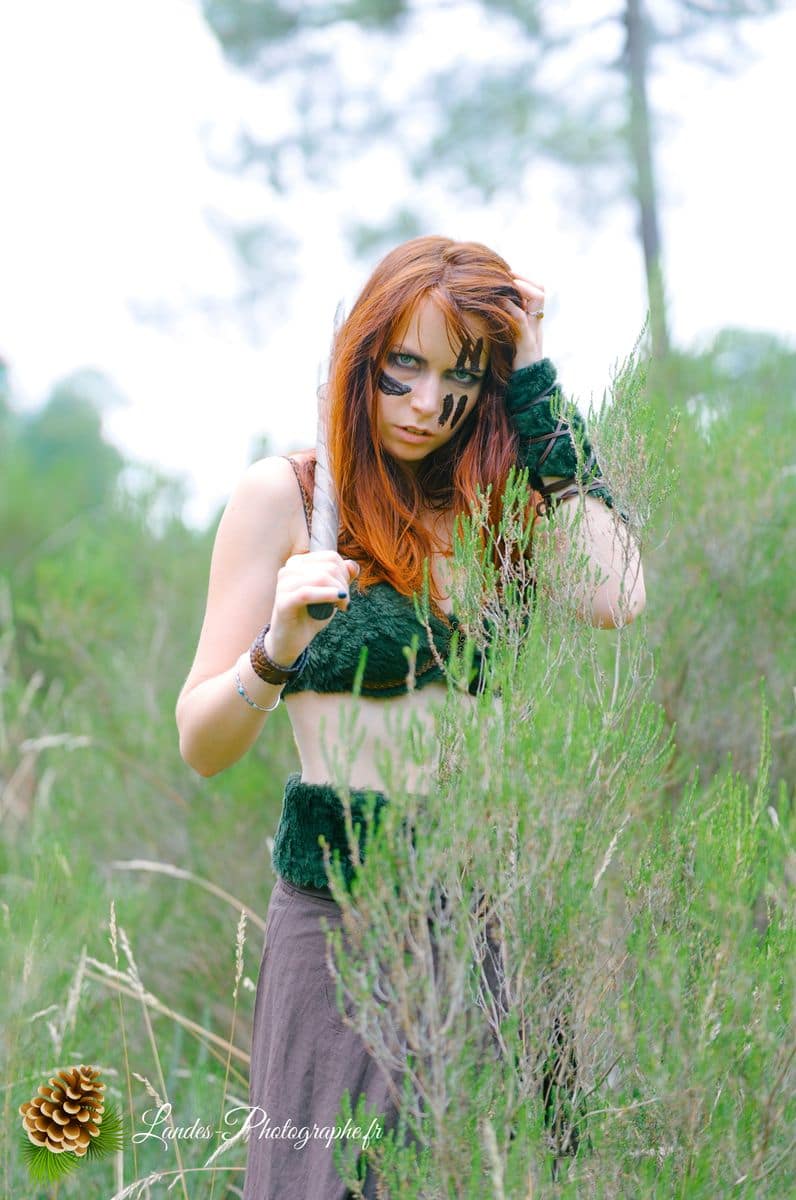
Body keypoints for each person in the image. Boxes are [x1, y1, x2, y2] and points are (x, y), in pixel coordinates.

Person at [175, 236, 646, 1197]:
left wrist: (540, 381)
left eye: (463, 376)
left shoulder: (494, 507)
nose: (430, 404)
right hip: (339, 925)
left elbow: (620, 591)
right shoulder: (291, 497)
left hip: (495, 912)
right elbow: (201, 743)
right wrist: (276, 650)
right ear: (363, 360)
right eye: (406, 370)